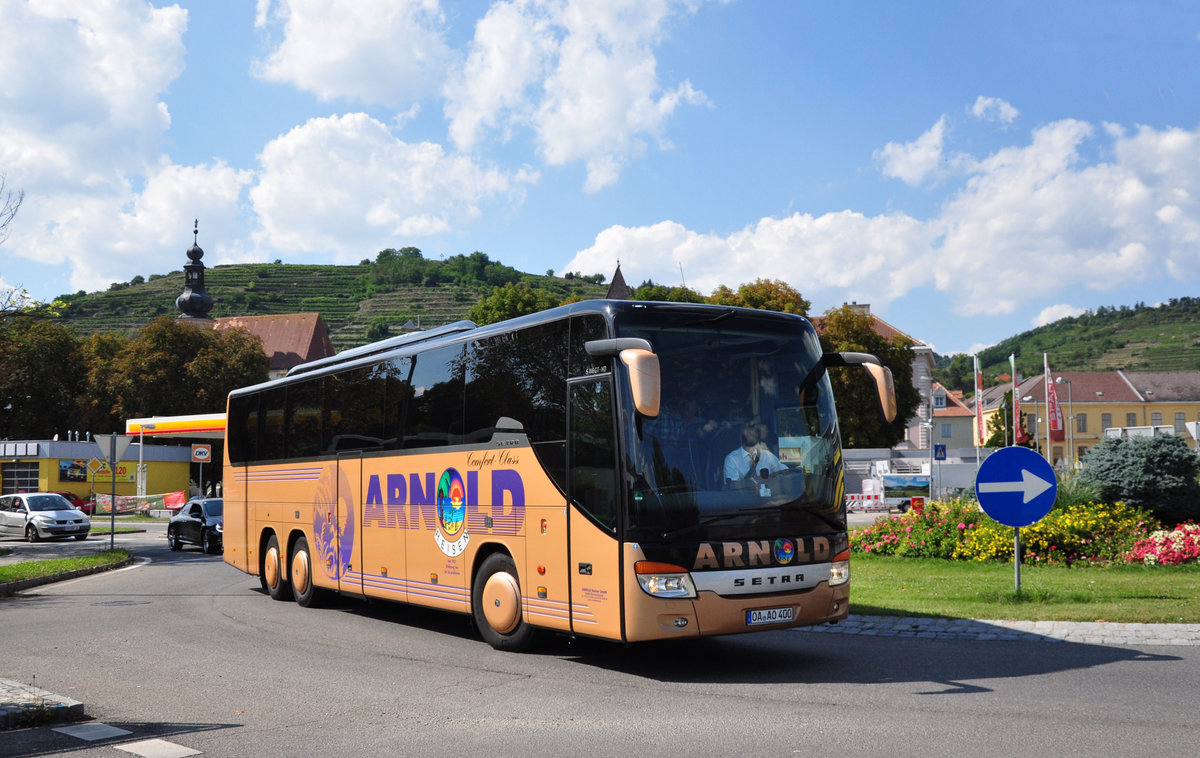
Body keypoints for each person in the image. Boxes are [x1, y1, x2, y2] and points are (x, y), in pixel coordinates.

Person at [723, 420, 788, 485]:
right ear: (741, 438)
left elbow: (785, 473)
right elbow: (732, 487)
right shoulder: (731, 459)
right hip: (745, 494)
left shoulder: (766, 455)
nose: (751, 436)